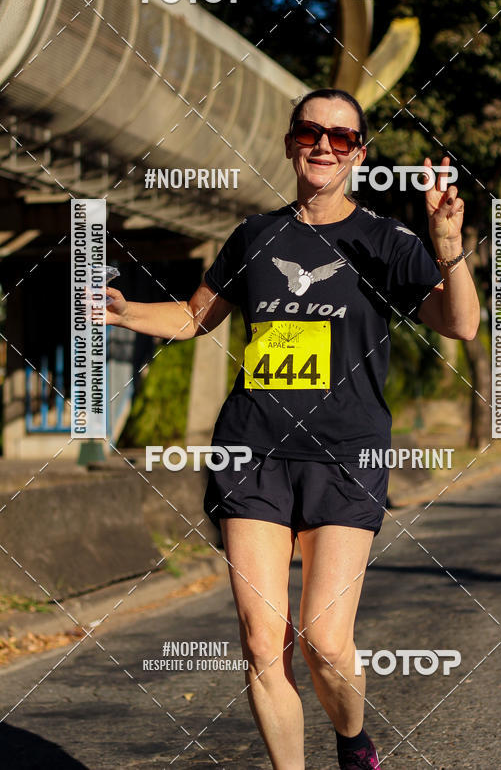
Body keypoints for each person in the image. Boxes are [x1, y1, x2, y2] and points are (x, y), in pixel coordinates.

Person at [105, 88, 480, 770]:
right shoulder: (256, 236)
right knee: (262, 642)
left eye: (342, 137)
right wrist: (125, 312)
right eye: (310, 133)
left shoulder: (385, 242)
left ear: (359, 154)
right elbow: (195, 317)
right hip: (252, 450)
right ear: (289, 144)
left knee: (326, 642)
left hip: (345, 454)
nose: (324, 146)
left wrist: (448, 245)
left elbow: (461, 324)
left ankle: (353, 741)